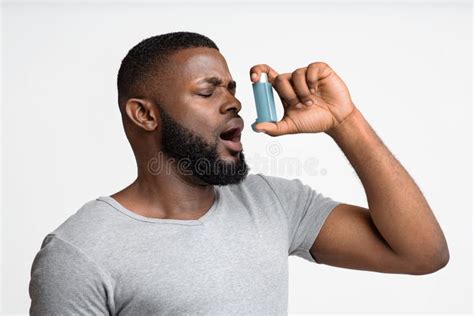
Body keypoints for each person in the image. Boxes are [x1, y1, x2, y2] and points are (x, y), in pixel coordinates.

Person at [29, 31, 449, 315]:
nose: (233, 103)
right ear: (144, 114)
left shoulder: (274, 203)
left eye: (231, 88)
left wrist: (345, 120)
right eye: (208, 91)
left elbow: (421, 254)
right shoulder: (79, 252)